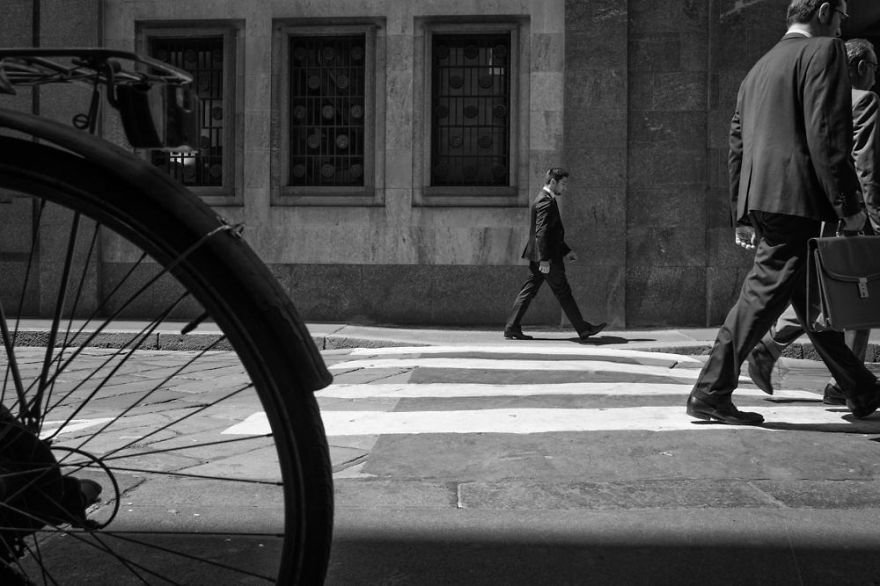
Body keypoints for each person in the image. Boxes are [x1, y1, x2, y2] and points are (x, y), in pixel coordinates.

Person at [685, 0, 880, 425]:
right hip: (796, 199)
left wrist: (742, 210)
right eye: (842, 16)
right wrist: (849, 206)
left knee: (811, 302)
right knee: (760, 294)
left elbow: (737, 142)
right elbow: (828, 135)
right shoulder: (823, 52)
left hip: (765, 196)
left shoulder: (759, 67)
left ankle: (861, 390)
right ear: (824, 11)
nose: (842, 25)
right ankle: (710, 390)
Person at [747, 37, 880, 405]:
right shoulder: (864, 101)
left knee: (829, 296)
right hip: (854, 216)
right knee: (849, 297)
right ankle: (848, 383)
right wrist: (874, 222)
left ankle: (842, 379)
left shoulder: (818, 101)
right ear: (859, 67)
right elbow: (865, 167)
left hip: (820, 214)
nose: (875, 75)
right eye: (874, 67)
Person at [503, 167, 607, 341]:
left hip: (540, 255)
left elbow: (552, 233)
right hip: (546, 258)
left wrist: (566, 251)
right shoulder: (545, 201)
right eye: (563, 184)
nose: (565, 188)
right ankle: (583, 329)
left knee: (529, 291)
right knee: (563, 291)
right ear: (553, 182)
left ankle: (511, 327)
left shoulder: (546, 199)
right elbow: (542, 232)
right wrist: (545, 260)